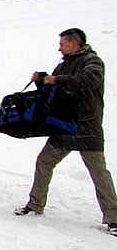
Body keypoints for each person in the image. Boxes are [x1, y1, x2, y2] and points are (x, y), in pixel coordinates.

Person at [15, 28, 117, 236]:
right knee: (44, 162)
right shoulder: (64, 64)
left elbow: (88, 81)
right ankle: (35, 205)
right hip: (63, 127)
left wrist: (57, 80)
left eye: (62, 44)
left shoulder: (93, 62)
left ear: (74, 43)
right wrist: (41, 80)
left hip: (87, 128)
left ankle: (114, 219)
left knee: (99, 173)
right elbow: (52, 92)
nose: (59, 47)